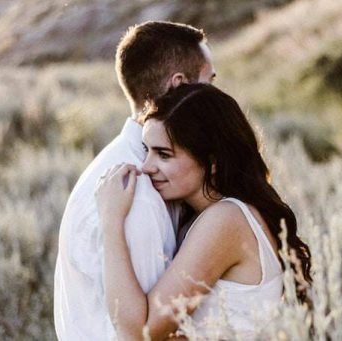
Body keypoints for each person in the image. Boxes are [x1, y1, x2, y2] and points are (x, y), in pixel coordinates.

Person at [95, 83, 313, 340]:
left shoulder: (226, 220)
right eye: (147, 150)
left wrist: (111, 220)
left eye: (164, 155)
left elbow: (139, 332)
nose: (146, 166)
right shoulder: (222, 215)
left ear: (212, 163)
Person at [53, 21, 216, 340]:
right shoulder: (136, 190)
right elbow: (146, 332)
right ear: (179, 85)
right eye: (209, 82)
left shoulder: (128, 166)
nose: (217, 97)